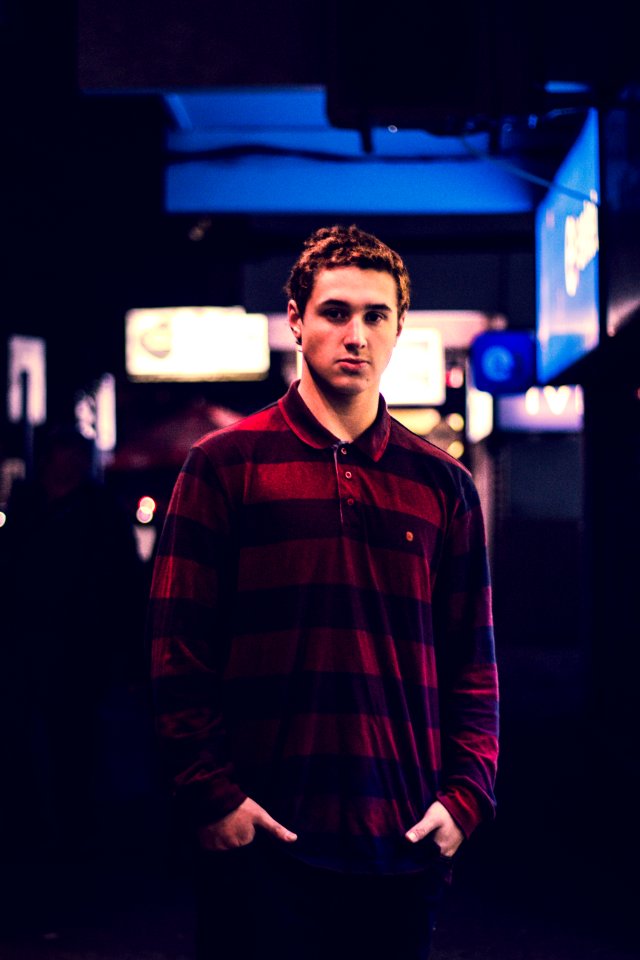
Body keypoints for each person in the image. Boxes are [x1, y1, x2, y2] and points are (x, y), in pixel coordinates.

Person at [147, 224, 499, 960]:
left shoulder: (443, 486)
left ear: (399, 329)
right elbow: (176, 650)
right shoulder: (224, 465)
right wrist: (211, 794)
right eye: (336, 312)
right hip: (263, 842)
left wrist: (464, 799)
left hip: (399, 844)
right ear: (297, 321)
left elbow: (474, 663)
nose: (356, 334)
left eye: (376, 316)